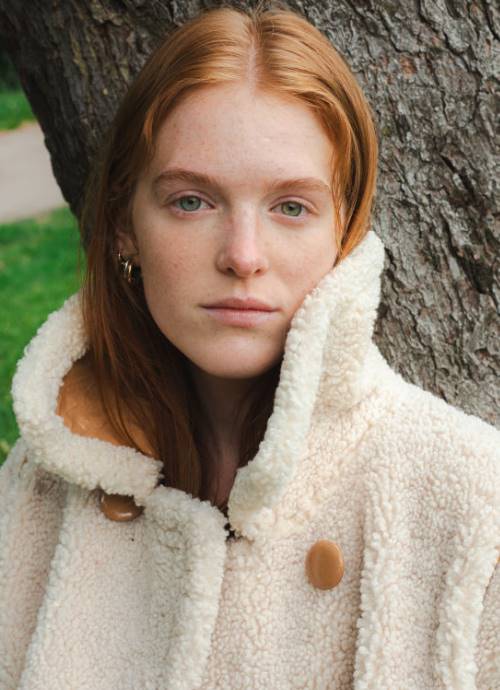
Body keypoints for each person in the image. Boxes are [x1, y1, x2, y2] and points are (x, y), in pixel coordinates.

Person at [0, 3, 498, 689]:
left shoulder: (472, 499)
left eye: (291, 207)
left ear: (344, 231)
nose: (243, 255)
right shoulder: (48, 478)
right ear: (123, 226)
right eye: (192, 201)